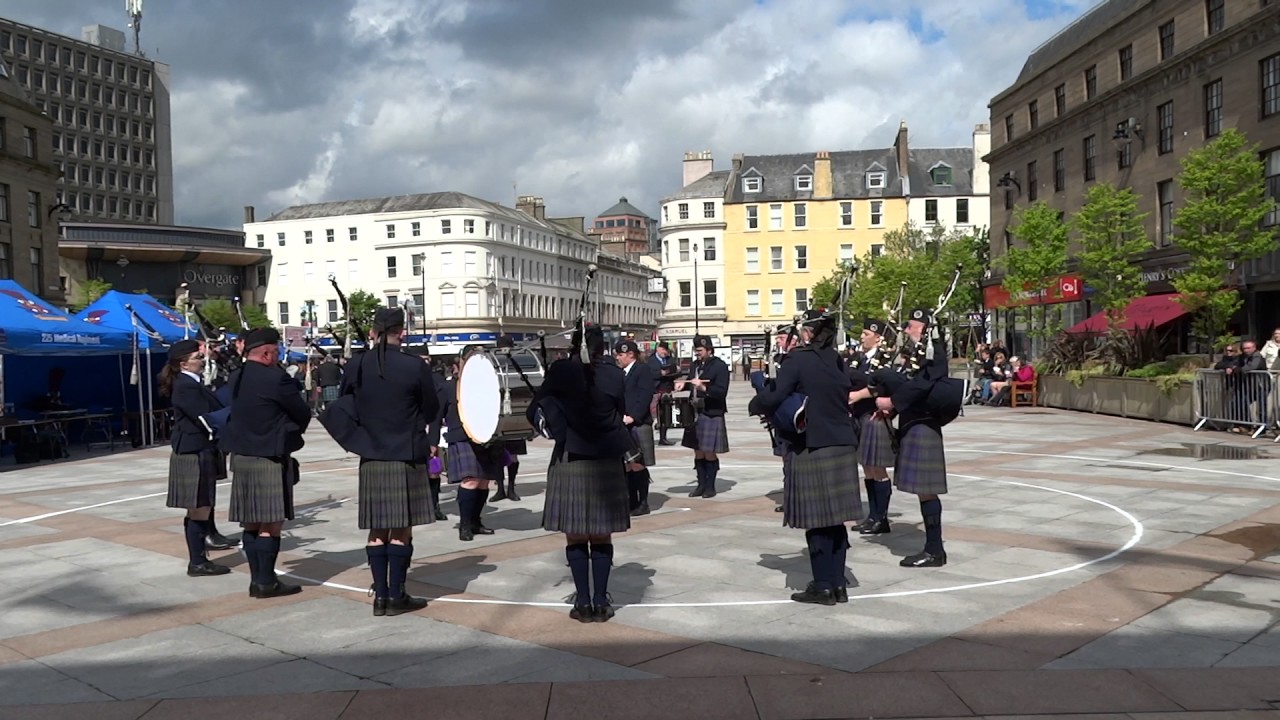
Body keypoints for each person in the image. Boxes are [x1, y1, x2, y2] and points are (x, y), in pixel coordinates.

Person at [322, 308, 439, 616]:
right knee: (400, 529)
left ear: (374, 332)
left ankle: (380, 596)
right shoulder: (414, 366)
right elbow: (430, 407)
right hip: (405, 453)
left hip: (371, 454)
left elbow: (347, 402)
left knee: (377, 529)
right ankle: (397, 595)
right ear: (401, 332)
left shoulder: (358, 364)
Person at [750, 310, 862, 605]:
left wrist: (758, 392)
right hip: (843, 443)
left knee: (817, 521)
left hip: (813, 445)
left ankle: (823, 585)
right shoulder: (836, 360)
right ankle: (838, 584)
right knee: (835, 520)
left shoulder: (797, 359)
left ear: (808, 332)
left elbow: (775, 396)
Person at [533, 324, 631, 622]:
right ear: (603, 347)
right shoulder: (614, 373)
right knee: (601, 535)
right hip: (606, 457)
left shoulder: (562, 371)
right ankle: (601, 601)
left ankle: (583, 603)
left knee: (576, 536)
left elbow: (537, 409)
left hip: (571, 456)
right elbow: (620, 410)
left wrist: (556, 427)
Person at [222, 328, 313, 598]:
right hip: (270, 456)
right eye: (276, 351)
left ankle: (257, 579)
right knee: (271, 523)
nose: (278, 356)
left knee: (250, 522)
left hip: (242, 455)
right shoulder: (276, 378)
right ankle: (265, 581)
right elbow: (302, 413)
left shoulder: (236, 376)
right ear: (265, 352)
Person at [876, 308, 950, 568]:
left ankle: (934, 550)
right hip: (914, 421)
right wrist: (893, 407)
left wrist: (892, 400)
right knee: (923, 491)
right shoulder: (920, 352)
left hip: (924, 425)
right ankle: (933, 548)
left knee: (926, 490)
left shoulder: (934, 352)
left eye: (911, 325)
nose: (906, 330)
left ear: (925, 327)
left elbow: (922, 385)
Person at [160, 339, 234, 577]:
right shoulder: (185, 385)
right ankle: (198, 562)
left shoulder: (192, 382)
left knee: (200, 506)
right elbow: (204, 419)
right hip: (193, 450)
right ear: (183, 363)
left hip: (198, 449)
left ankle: (200, 558)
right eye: (198, 358)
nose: (202, 360)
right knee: (199, 507)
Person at [439, 346, 502, 541]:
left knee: (484, 481)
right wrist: (432, 443)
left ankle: (476, 521)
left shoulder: (487, 385)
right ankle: (464, 525)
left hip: (486, 437)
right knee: (471, 481)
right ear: (462, 361)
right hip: (461, 436)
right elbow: (435, 416)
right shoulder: (449, 387)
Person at [851, 318, 895, 536]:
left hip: (875, 416)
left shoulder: (884, 358)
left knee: (877, 467)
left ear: (878, 337)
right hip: (860, 415)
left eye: (866, 333)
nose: (862, 337)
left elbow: (884, 385)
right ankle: (872, 516)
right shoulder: (860, 359)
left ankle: (882, 517)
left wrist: (858, 395)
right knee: (867, 466)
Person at [677, 335, 730, 498]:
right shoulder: (695, 365)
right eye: (696, 350)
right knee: (697, 451)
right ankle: (700, 484)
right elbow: (690, 381)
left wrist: (703, 387)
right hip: (694, 412)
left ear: (709, 350)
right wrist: (682, 384)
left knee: (708, 451)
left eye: (700, 350)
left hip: (711, 411)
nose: (697, 353)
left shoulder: (720, 367)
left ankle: (710, 486)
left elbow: (721, 392)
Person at [615, 339, 656, 516]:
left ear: (631, 354)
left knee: (639, 464)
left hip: (639, 423)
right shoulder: (620, 373)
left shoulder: (642, 370)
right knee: (627, 464)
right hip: (623, 424)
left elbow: (645, 395)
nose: (618, 357)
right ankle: (631, 500)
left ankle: (643, 502)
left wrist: (633, 416)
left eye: (621, 354)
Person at [491, 334, 527, 502]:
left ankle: (511, 488)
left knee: (512, 455)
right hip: (496, 413)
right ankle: (500, 488)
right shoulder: (492, 363)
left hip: (514, 412)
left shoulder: (517, 363)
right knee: (497, 454)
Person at [425, 357, 449, 521]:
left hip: (430, 429)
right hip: (410, 430)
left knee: (434, 470)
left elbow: (437, 414)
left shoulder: (437, 381)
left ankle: (434, 506)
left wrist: (433, 440)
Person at [647, 342, 679, 445]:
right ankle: (649, 438)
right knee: (654, 415)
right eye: (662, 350)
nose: (664, 352)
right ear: (658, 349)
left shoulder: (670, 360)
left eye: (666, 350)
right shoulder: (650, 361)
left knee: (665, 415)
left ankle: (663, 437)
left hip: (667, 390)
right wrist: (660, 373)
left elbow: (676, 372)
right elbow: (648, 374)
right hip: (655, 391)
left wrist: (675, 373)